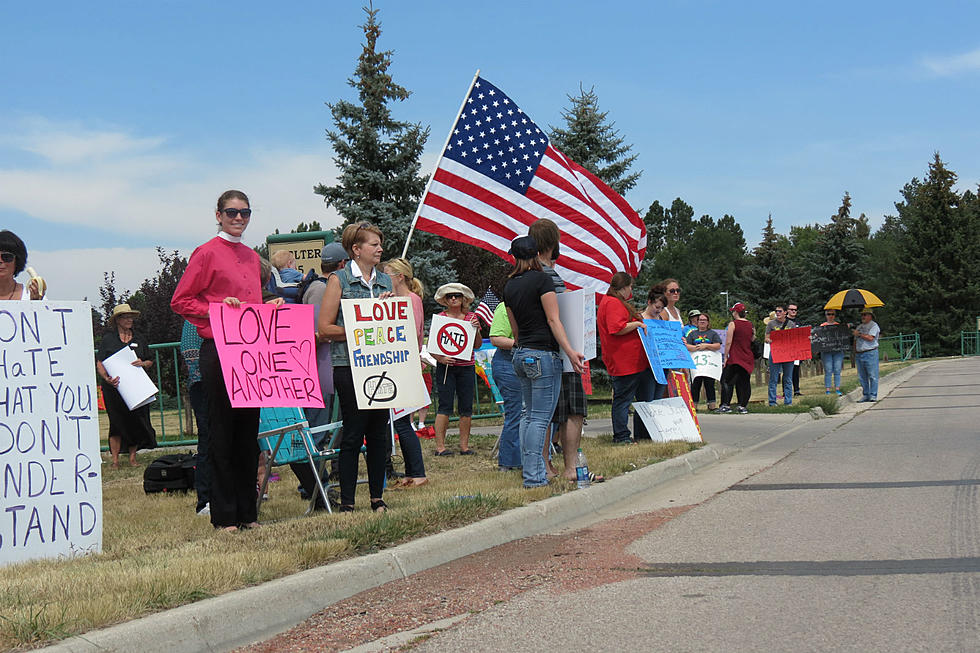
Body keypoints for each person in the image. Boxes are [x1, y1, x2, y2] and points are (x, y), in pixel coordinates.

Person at [171, 190, 281, 531]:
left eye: (245, 213)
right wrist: (217, 310)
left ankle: (248, 512)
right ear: (218, 215)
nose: (239, 218)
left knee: (249, 432)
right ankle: (224, 515)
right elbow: (181, 301)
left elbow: (251, 310)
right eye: (232, 212)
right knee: (222, 431)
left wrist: (268, 309)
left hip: (251, 351)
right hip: (218, 349)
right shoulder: (205, 253)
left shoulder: (251, 257)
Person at [316, 221, 393, 513]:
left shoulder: (385, 280)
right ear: (357, 249)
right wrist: (362, 328)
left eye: (380, 244)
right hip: (348, 364)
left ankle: (377, 497)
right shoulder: (340, 280)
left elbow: (394, 323)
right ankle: (348, 500)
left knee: (378, 433)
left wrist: (388, 309)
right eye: (374, 244)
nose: (380, 249)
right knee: (353, 432)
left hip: (382, 364)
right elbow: (325, 328)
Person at [503, 235, 584, 488]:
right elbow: (553, 320)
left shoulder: (509, 284)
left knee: (527, 416)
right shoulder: (543, 279)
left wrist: (521, 346)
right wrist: (570, 351)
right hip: (543, 354)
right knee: (540, 418)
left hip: (521, 353)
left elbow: (514, 328)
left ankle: (533, 471)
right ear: (537, 254)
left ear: (514, 256)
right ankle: (534, 477)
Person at [528, 219, 586, 479]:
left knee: (540, 412)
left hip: (533, 351)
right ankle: (571, 468)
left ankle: (544, 466)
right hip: (561, 351)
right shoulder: (548, 277)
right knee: (572, 410)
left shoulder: (524, 277)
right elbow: (556, 317)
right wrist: (572, 349)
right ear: (553, 243)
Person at [381, 258, 428, 488]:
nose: (383, 278)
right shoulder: (401, 300)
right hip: (398, 365)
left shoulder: (411, 300)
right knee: (400, 422)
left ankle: (417, 472)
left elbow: (410, 333)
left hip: (405, 365)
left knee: (402, 422)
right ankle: (412, 472)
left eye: (387, 274)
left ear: (399, 276)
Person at [95, 304, 158, 468]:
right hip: (113, 389)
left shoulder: (140, 338)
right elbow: (100, 362)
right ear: (117, 320)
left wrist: (142, 363)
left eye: (131, 317)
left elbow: (150, 360)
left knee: (135, 421)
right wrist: (107, 378)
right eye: (126, 317)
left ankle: (132, 457)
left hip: (135, 388)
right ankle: (115, 460)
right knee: (115, 422)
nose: (130, 320)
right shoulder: (108, 339)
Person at [598, 272, 654, 444]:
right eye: (630, 286)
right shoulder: (613, 303)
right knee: (623, 400)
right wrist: (637, 324)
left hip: (632, 361)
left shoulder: (612, 302)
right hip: (624, 361)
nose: (631, 290)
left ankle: (641, 434)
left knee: (637, 399)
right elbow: (616, 328)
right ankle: (621, 436)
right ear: (623, 287)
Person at [431, 282, 480, 456]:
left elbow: (477, 344)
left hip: (466, 366)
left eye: (457, 296)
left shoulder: (470, 318)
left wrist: (476, 329)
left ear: (463, 299)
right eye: (450, 296)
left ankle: (464, 446)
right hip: (446, 368)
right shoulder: (440, 317)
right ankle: (440, 447)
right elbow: (433, 347)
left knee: (466, 406)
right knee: (444, 406)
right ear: (445, 299)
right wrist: (441, 358)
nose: (453, 298)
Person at [180, 319, 211, 515]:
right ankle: (206, 499)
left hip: (218, 382)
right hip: (204, 384)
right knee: (208, 440)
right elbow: (192, 359)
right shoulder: (193, 321)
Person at [489, 299, 523, 471]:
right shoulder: (505, 306)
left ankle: (526, 459)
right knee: (516, 413)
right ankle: (509, 462)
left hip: (526, 362)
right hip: (507, 364)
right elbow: (496, 338)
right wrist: (524, 345)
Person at [717, 302, 756, 414]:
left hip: (735, 357)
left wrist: (725, 357)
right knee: (744, 382)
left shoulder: (733, 324)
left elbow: (728, 342)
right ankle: (743, 405)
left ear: (736, 312)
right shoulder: (750, 324)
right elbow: (752, 338)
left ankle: (726, 404)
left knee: (726, 381)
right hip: (747, 357)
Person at [686, 312, 722, 411]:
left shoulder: (712, 333)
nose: (702, 322)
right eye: (700, 320)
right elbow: (687, 346)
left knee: (709, 384)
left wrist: (706, 346)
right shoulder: (692, 334)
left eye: (704, 320)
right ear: (697, 322)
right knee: (696, 384)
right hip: (696, 364)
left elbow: (718, 345)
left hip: (709, 364)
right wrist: (696, 347)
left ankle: (712, 405)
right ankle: (694, 406)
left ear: (708, 322)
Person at [641, 287, 670, 402]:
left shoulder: (662, 318)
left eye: (662, 308)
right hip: (647, 366)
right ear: (649, 302)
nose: (659, 310)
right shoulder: (640, 318)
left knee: (658, 399)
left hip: (662, 364)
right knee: (647, 399)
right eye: (657, 307)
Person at [765, 304, 797, 406]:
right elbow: (766, 337)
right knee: (773, 378)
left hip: (788, 354)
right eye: (776, 311)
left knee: (788, 378)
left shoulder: (791, 324)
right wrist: (769, 340)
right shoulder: (771, 324)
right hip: (775, 353)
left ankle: (788, 401)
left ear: (785, 313)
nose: (777, 313)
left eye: (779, 311)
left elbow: (795, 339)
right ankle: (772, 401)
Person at [0, 230, 45, 300]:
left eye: (6, 257)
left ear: (17, 261)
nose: (0, 261)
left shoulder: (30, 295)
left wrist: (35, 304)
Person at [853, 310, 880, 402]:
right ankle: (866, 395)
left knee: (872, 375)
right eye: (862, 315)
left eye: (865, 315)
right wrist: (855, 351)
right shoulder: (859, 327)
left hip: (870, 352)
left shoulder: (874, 326)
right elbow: (855, 340)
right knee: (862, 376)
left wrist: (859, 334)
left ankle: (873, 395)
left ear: (870, 316)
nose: (863, 317)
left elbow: (870, 338)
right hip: (859, 353)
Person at [819, 309, 846, 396]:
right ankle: (828, 389)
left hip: (837, 351)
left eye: (832, 314)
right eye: (828, 314)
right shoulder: (822, 326)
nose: (830, 316)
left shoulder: (839, 326)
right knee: (828, 370)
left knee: (837, 369)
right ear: (826, 315)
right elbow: (818, 338)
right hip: (826, 351)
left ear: (835, 315)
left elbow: (843, 337)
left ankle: (837, 389)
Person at [787, 303, 803, 396]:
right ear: (787, 310)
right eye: (792, 309)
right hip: (786, 349)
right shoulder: (784, 321)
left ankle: (796, 390)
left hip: (796, 349)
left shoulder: (798, 322)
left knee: (796, 370)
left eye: (795, 310)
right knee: (787, 371)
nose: (793, 311)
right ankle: (786, 391)